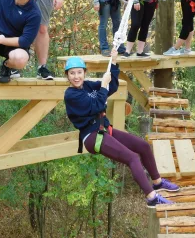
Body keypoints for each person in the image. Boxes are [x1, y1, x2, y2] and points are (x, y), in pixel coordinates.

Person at [64, 49, 179, 207]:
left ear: (84, 73)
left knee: (143, 146)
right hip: (92, 137)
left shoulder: (87, 86)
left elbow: (111, 87)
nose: (76, 76)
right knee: (132, 158)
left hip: (104, 130)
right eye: (72, 73)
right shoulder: (71, 95)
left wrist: (114, 63)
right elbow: (96, 105)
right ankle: (152, 198)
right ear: (67, 76)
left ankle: (158, 182)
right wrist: (103, 85)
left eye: (79, 72)